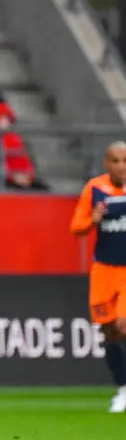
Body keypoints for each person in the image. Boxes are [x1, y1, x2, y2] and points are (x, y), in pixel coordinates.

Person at [71, 142, 126, 412]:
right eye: (115, 161)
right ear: (106, 163)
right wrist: (93, 219)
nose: (121, 166)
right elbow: (76, 228)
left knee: (123, 324)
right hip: (104, 269)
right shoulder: (95, 189)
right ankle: (123, 387)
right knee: (109, 332)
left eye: (125, 161)